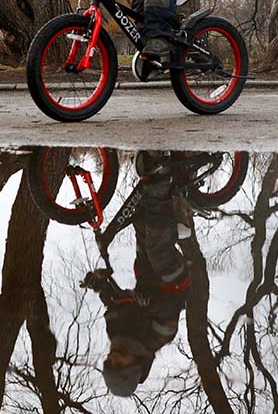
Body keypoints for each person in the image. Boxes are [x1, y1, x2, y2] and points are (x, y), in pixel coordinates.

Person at [82, 150, 194, 397]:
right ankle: (161, 181)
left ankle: (158, 172)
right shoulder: (154, 340)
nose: (114, 358)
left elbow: (116, 302)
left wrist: (101, 285)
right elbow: (170, 312)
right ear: (133, 367)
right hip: (172, 280)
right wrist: (151, 304)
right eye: (119, 364)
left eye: (109, 363)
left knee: (141, 223)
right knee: (157, 248)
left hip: (145, 273)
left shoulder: (115, 332)